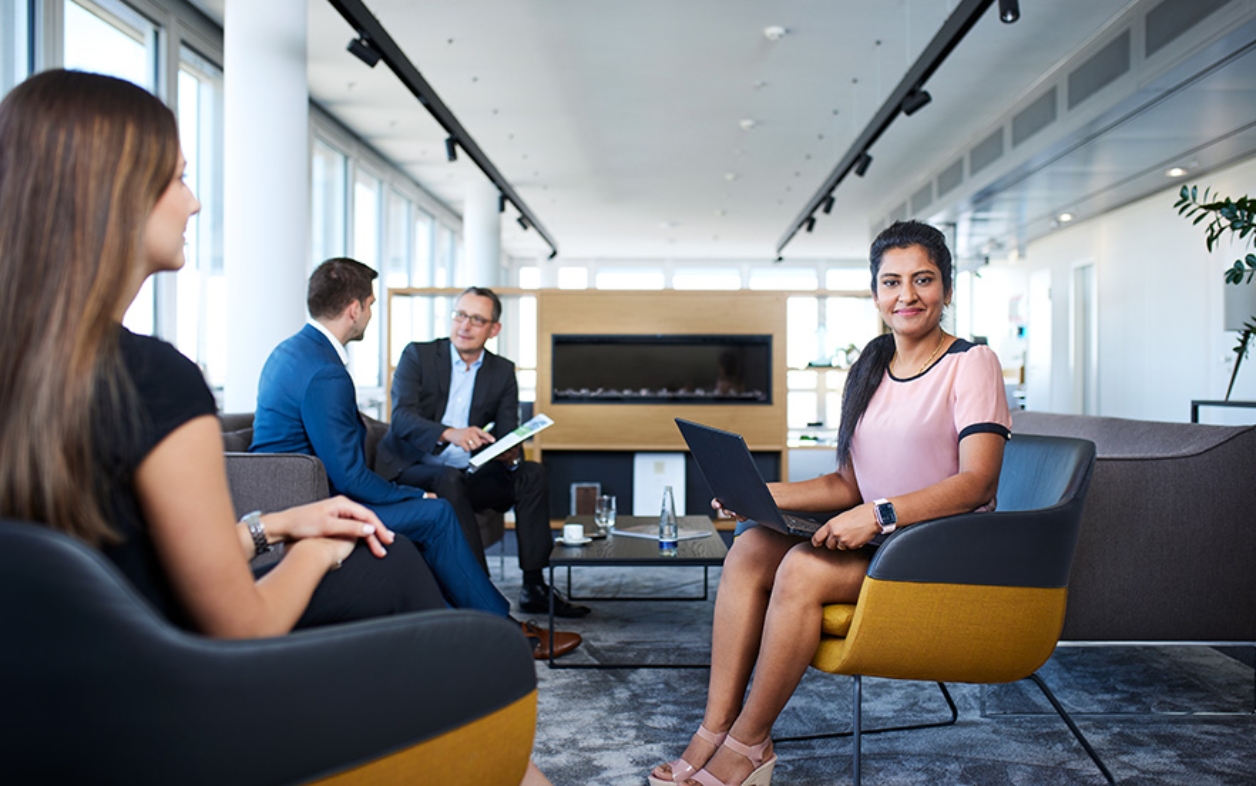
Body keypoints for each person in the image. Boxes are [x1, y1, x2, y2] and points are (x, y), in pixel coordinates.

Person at [649, 220, 1011, 786]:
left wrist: (879, 513)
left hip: (939, 547)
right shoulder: (870, 368)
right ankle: (714, 730)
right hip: (879, 541)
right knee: (751, 548)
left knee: (802, 566)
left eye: (923, 279)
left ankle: (748, 745)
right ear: (875, 293)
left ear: (947, 287)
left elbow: (978, 483)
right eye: (891, 282)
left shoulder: (972, 363)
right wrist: (763, 495)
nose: (907, 295)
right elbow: (847, 482)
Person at [250, 261, 581, 657]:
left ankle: (483, 614)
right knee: (436, 513)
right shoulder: (328, 372)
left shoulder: (291, 351)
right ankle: (502, 632)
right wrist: (411, 494)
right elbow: (350, 475)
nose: (370, 313)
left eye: (476, 319)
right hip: (313, 504)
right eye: (371, 304)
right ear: (354, 309)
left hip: (296, 494)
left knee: (502, 483)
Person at [376, 286, 591, 618]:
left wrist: (510, 454)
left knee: (532, 473)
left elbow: (507, 431)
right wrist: (450, 433)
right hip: (414, 467)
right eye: (460, 315)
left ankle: (534, 586)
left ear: (494, 329)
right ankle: (479, 591)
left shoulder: (502, 371)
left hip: (469, 471)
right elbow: (402, 418)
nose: (465, 325)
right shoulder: (418, 355)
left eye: (477, 319)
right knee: (447, 479)